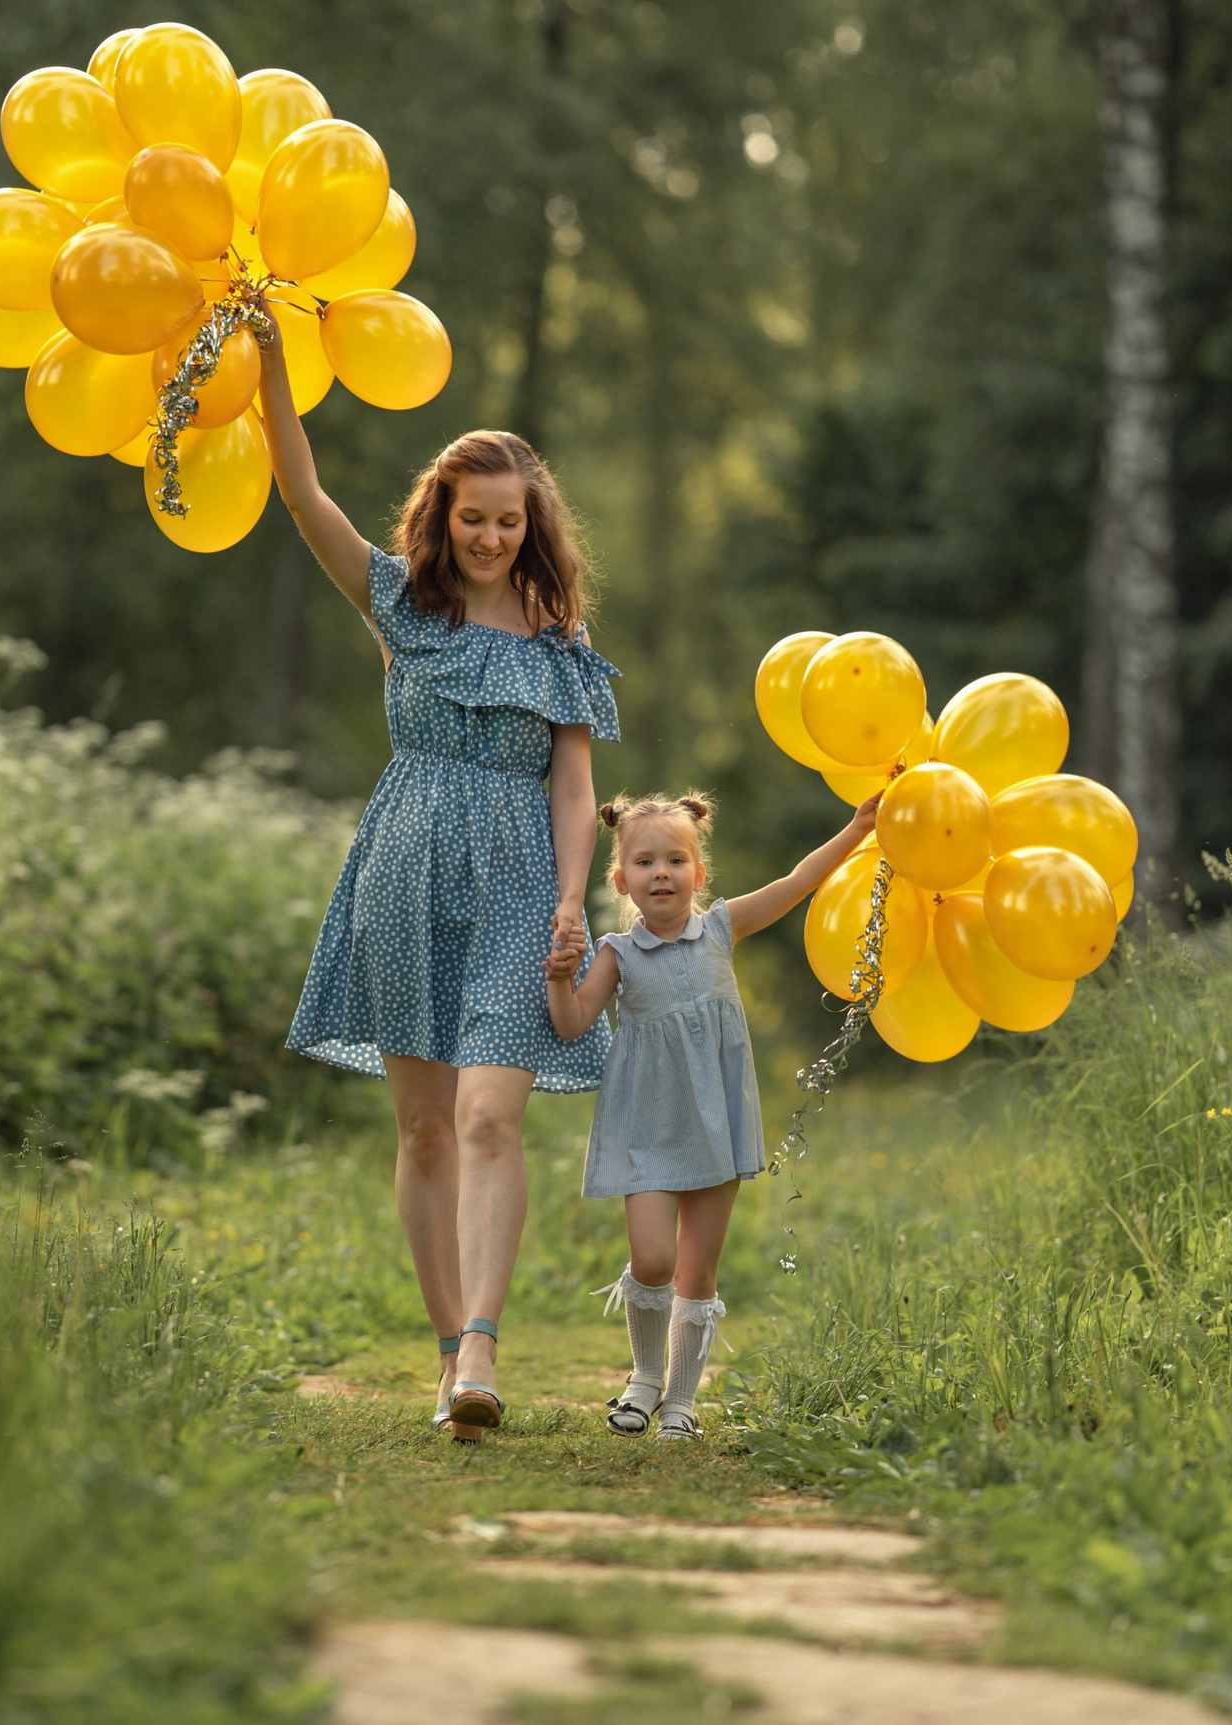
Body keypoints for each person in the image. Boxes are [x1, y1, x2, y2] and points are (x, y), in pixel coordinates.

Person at [260, 314, 620, 1440]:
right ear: (442, 517)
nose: (491, 538)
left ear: (533, 526)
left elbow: (573, 788)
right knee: (421, 1133)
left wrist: (574, 898)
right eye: (473, 518)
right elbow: (300, 496)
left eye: (510, 522)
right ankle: (443, 1347)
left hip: (524, 879)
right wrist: (273, 362)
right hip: (404, 869)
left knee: (487, 1120)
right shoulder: (400, 608)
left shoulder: (560, 649)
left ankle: (481, 1350)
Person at [543, 790, 882, 1440]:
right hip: (646, 1126)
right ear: (621, 879)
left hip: (715, 1123)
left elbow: (798, 882)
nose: (662, 872)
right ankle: (644, 1377)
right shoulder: (616, 953)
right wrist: (559, 977)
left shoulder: (722, 927)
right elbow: (571, 1023)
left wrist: (858, 827)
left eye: (676, 859)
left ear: (699, 873)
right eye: (645, 862)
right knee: (652, 1260)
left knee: (697, 1269)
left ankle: (680, 1401)